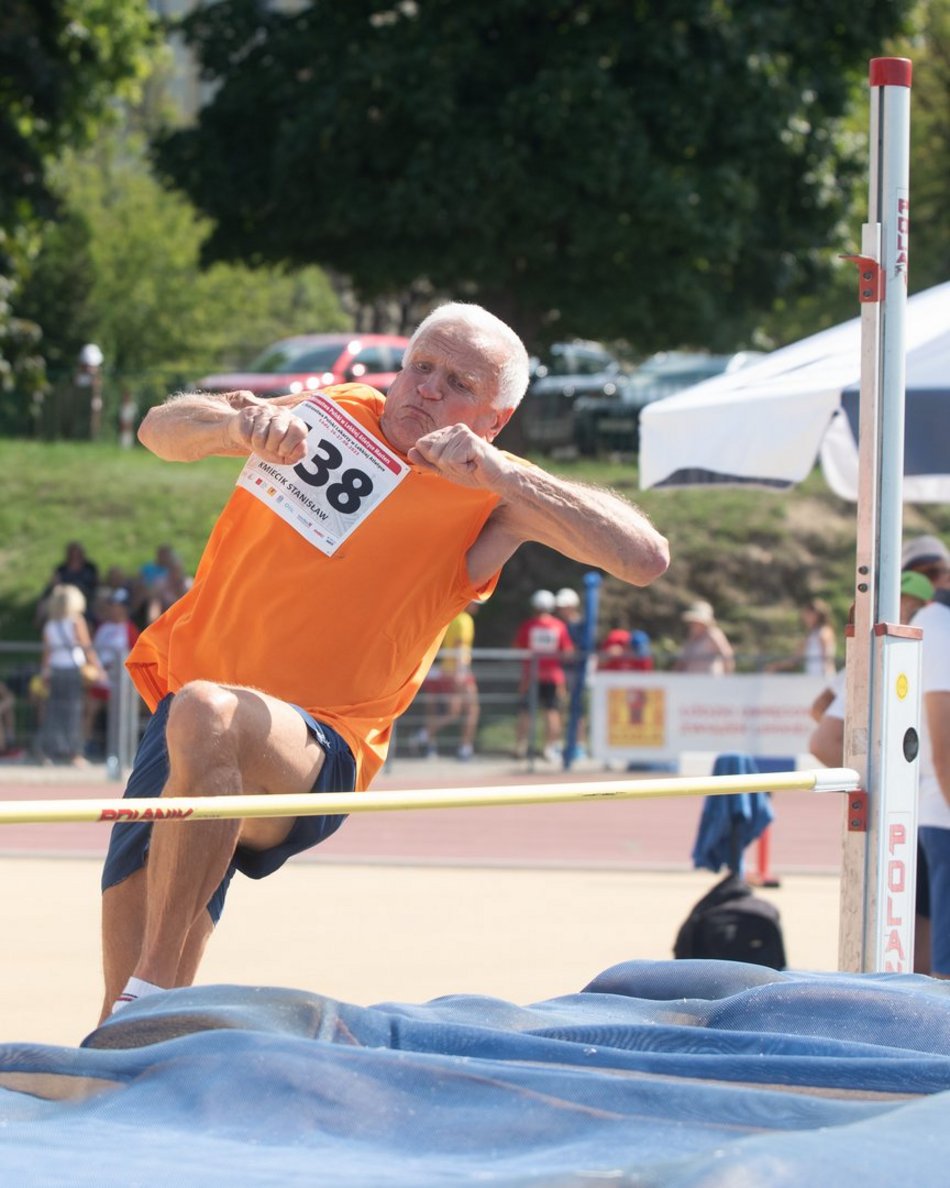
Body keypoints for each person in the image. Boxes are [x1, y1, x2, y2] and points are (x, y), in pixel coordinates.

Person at [96, 302, 670, 1022]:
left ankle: (151, 992)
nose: (427, 388)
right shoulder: (331, 409)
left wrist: (504, 474)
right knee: (122, 1013)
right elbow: (159, 429)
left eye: (458, 384)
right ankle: (140, 1023)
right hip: (184, 718)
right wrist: (238, 427)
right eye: (421, 367)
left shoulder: (491, 492)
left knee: (211, 713)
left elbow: (645, 559)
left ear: (494, 419)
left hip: (318, 743)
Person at [808, 570, 935, 973]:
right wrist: (879, 778)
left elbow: (820, 709)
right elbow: (823, 731)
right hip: (914, 808)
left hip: (911, 806)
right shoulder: (881, 654)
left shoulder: (883, 652)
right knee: (910, 925)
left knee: (909, 922)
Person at [35, 584, 104, 767]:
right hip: (73, 670)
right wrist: (98, 668)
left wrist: (44, 673)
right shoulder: (76, 621)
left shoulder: (50, 625)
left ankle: (47, 752)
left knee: (54, 712)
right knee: (74, 712)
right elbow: (86, 647)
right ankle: (74, 752)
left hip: (55, 671)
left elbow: (47, 654)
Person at [513, 589, 575, 762]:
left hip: (531, 676)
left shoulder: (529, 625)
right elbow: (568, 652)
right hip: (553, 676)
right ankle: (550, 748)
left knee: (526, 712)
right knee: (552, 711)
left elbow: (518, 647)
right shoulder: (559, 626)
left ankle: (521, 746)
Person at [416, 603, 481, 760]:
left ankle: (425, 735)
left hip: (446, 670)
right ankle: (464, 748)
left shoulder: (451, 617)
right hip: (459, 671)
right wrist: (461, 671)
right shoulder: (464, 620)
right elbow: (459, 647)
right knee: (471, 710)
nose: (477, 607)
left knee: (453, 712)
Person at [767, 598, 836, 677]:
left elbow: (827, 659)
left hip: (823, 678)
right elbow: (795, 659)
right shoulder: (811, 635)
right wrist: (776, 666)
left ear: (816, 615)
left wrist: (826, 679)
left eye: (807, 614)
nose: (804, 618)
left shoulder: (824, 632)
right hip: (813, 678)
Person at [35, 541, 100, 625]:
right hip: (65, 595)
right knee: (46, 601)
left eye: (77, 554)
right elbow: (55, 584)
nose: (75, 556)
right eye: (73, 554)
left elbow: (97, 583)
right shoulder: (61, 569)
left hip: (87, 593)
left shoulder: (90, 567)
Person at [674, 600, 735, 674]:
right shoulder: (691, 637)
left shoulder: (713, 634)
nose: (693, 623)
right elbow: (682, 660)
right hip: (690, 678)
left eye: (696, 620)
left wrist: (727, 676)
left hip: (709, 678)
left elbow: (727, 655)